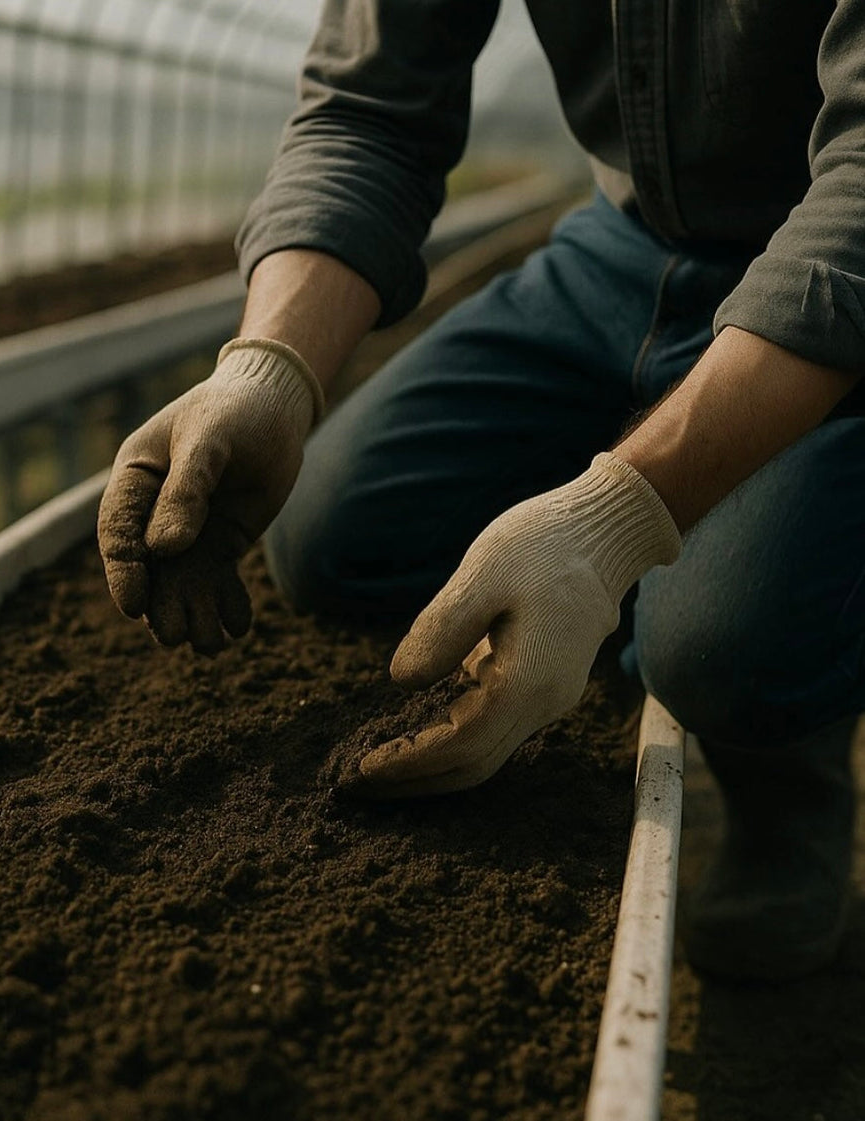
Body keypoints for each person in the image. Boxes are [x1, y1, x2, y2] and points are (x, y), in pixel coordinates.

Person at [96, 1, 865, 982]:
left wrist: (611, 521)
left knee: (722, 639)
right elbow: (369, 109)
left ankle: (778, 771)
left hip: (835, 266)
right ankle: (612, 587)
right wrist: (269, 370)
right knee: (333, 533)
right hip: (626, 253)